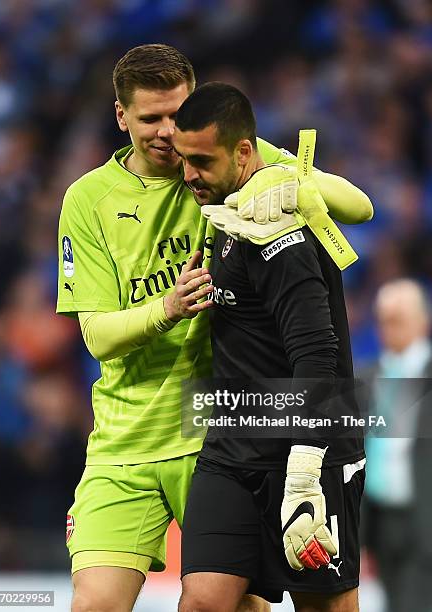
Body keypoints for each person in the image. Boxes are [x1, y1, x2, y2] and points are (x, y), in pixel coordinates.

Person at [56, 44, 372, 612]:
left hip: (212, 430)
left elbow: (358, 206)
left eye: (176, 115)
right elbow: (97, 337)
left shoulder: (216, 162)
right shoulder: (88, 199)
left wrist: (294, 187)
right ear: (121, 116)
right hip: (125, 441)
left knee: (234, 603)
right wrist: (167, 308)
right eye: (149, 119)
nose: (165, 133)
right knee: (96, 603)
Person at [172, 82, 367, 612]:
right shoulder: (230, 208)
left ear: (243, 151)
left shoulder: (281, 229)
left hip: (309, 454)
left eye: (201, 161)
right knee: (204, 602)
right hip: (233, 446)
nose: (188, 175)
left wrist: (304, 478)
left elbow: (317, 358)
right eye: (183, 159)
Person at [362, 279, 432, 612]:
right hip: (381, 522)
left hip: (425, 517)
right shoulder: (372, 375)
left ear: (423, 321)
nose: (389, 329)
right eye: (384, 320)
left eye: (398, 319)